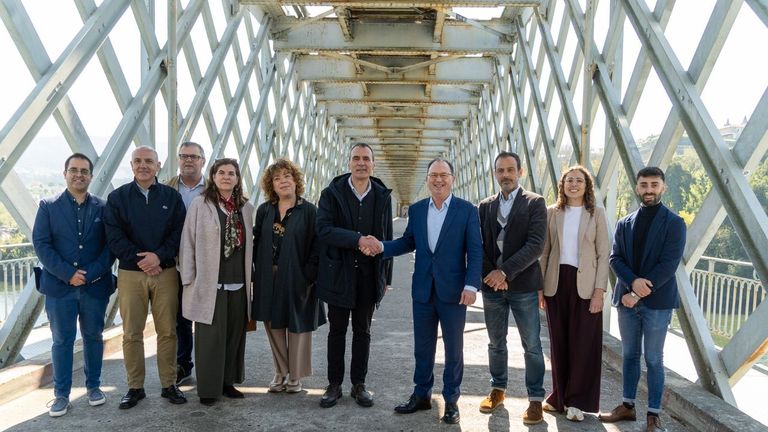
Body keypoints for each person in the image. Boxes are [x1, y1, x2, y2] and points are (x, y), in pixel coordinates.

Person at [370, 158, 482, 425]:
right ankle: (421, 395)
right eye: (434, 175)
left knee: (454, 349)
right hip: (423, 290)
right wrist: (382, 247)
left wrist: (470, 285)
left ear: (452, 179)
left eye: (444, 175)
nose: (439, 180)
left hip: (455, 292)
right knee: (422, 348)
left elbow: (475, 250)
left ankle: (451, 401)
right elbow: (409, 242)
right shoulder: (417, 210)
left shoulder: (466, 210)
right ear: (428, 178)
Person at [599, 166, 686, 432]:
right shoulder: (625, 223)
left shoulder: (674, 223)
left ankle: (653, 414)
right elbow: (615, 258)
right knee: (629, 356)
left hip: (655, 303)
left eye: (654, 185)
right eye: (644, 185)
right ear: (637, 188)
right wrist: (631, 285)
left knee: (654, 358)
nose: (649, 190)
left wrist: (636, 291)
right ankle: (627, 406)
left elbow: (668, 265)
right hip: (626, 300)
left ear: (663, 188)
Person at [104, 146, 187, 409]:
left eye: (148, 161)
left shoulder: (172, 197)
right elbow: (114, 237)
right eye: (138, 161)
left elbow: (179, 233)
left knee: (167, 331)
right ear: (131, 165)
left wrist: (158, 257)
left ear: (158, 165)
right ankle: (135, 387)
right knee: (132, 333)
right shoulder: (117, 198)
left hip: (165, 272)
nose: (143, 165)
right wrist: (143, 260)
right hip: (130, 273)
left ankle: (169, 384)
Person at [32, 153, 115, 417]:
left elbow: (109, 247)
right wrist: (68, 273)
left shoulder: (103, 208)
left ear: (91, 175)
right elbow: (41, 244)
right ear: (65, 172)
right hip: (60, 287)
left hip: (94, 286)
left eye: (84, 171)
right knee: (62, 341)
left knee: (93, 337)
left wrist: (88, 274)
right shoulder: (48, 205)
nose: (79, 175)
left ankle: (94, 387)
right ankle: (61, 395)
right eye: (74, 170)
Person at [315, 143, 393, 408]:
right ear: (349, 163)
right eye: (356, 158)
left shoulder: (382, 196)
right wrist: (358, 239)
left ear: (373, 164)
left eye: (366, 159)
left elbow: (387, 237)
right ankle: (334, 385)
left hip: (370, 277)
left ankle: (359, 385)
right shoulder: (331, 194)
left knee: (363, 331)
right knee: (337, 330)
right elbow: (323, 230)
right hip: (338, 274)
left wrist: (387, 279)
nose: (361, 163)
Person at [476, 151, 547, 425]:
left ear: (520, 172)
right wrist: (492, 276)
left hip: (524, 286)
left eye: (510, 169)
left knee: (532, 345)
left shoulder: (535, 203)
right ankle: (498, 389)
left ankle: (535, 399)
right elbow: (478, 244)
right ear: (495, 173)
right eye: (500, 170)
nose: (505, 175)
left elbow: (536, 245)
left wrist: (504, 272)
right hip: (492, 287)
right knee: (496, 343)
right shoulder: (484, 206)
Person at [179, 158, 253, 406]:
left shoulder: (245, 207)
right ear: (213, 176)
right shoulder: (201, 204)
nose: (226, 177)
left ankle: (227, 383)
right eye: (221, 172)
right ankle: (209, 389)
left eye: (231, 173)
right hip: (209, 284)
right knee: (209, 339)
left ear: (238, 178)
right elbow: (187, 242)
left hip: (239, 284)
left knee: (234, 336)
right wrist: (188, 278)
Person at [539, 166, 610, 421]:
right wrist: (540, 288)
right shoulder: (552, 213)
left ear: (586, 186)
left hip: (587, 286)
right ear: (562, 185)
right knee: (559, 343)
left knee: (583, 344)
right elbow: (545, 252)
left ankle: (577, 401)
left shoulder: (596, 214)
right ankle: (559, 397)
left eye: (579, 181)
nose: (574, 184)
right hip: (557, 283)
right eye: (569, 180)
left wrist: (599, 292)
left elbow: (604, 257)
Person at [252, 158, 325, 394]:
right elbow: (256, 242)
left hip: (298, 276)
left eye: (287, 176)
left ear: (295, 180)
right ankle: (280, 371)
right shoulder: (265, 210)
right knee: (273, 325)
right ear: (270, 185)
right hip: (268, 276)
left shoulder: (309, 210)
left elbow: (318, 246)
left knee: (297, 326)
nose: (282, 181)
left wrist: (309, 275)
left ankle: (296, 375)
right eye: (276, 178)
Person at [166, 141, 206, 385]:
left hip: (205, 263)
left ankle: (208, 363)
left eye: (194, 156)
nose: (188, 160)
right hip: (175, 262)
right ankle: (184, 364)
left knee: (205, 315)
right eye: (184, 156)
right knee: (179, 317)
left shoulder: (211, 189)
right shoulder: (166, 188)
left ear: (203, 160)